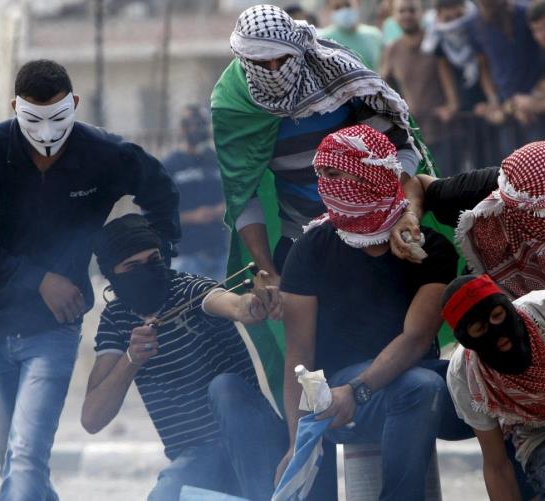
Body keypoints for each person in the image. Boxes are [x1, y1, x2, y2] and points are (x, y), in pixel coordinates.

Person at [0, 59, 180, 500]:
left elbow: (160, 191)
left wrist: (156, 255)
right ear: (14, 108)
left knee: (26, 457)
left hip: (53, 331)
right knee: (9, 460)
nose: (47, 131)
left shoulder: (104, 154)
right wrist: (37, 279)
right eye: (34, 118)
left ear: (74, 103)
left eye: (57, 116)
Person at [211, 125, 473, 500]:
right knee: (420, 386)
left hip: (397, 377)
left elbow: (416, 339)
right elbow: (299, 355)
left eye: (335, 174)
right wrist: (297, 443)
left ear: (371, 174)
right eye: (321, 175)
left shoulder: (429, 248)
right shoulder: (312, 246)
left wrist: (359, 389)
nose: (326, 186)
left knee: (480, 384)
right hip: (337, 393)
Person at [211, 4, 443, 410]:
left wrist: (397, 212)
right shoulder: (234, 105)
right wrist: (267, 270)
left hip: (376, 241)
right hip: (301, 243)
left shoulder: (338, 75)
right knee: (308, 367)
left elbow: (400, 150)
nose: (274, 70)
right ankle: (305, 447)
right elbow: (242, 193)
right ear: (242, 59)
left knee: (402, 359)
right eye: (261, 63)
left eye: (283, 60)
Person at [82, 214, 281, 500]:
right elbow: (92, 418)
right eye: (133, 267)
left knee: (224, 387)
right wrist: (131, 359)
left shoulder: (188, 289)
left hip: (257, 446)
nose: (146, 271)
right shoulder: (116, 319)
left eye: (153, 260)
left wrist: (252, 304)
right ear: (112, 275)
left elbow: (232, 304)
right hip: (200, 458)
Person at [442, 274, 545, 500]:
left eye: (497, 315)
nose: (497, 332)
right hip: (544, 437)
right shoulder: (465, 376)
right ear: (468, 340)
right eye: (480, 329)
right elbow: (497, 465)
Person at [412, 140, 545, 299]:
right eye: (534, 213)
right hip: (486, 305)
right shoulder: (482, 189)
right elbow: (418, 183)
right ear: (508, 197)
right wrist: (410, 219)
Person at [467, 0, 545, 156]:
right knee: (515, 165)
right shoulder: (474, 25)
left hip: (539, 108)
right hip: (507, 111)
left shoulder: (524, 14)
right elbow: (484, 66)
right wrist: (493, 101)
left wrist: (534, 98)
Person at [381, 0, 461, 176]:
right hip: (414, 136)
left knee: (449, 183)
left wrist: (451, 106)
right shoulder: (392, 49)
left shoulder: (434, 42)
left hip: (443, 130)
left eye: (411, 10)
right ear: (394, 16)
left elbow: (448, 81)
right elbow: (383, 87)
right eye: (402, 11)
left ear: (421, 13)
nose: (407, 15)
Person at [424, 0, 502, 170]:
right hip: (463, 108)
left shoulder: (476, 28)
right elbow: (444, 68)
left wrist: (492, 100)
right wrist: (453, 103)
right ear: (439, 14)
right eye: (448, 16)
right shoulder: (438, 35)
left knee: (491, 161)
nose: (454, 19)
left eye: (458, 14)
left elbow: (484, 66)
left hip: (485, 103)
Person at [163, 105, 228, 280]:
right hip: (186, 254)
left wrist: (222, 209)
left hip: (218, 252)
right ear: (183, 128)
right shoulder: (170, 165)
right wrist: (193, 216)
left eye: (202, 124)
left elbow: (233, 196)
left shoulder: (215, 159)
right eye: (194, 124)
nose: (199, 129)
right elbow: (158, 213)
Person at [318, 0, 386, 70]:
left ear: (358, 3)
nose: (344, 10)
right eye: (337, 7)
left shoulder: (374, 36)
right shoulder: (323, 38)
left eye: (347, 5)